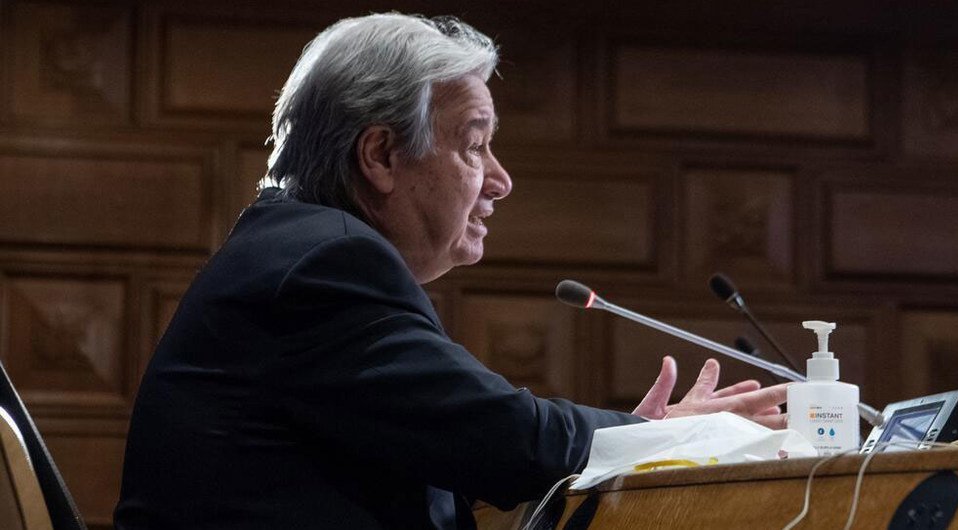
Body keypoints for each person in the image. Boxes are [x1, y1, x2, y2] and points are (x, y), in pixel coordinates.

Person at [114, 13, 788, 530]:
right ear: (380, 155)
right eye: (474, 145)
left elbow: (458, 445)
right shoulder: (326, 264)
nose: (500, 181)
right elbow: (509, 438)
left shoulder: (293, 247)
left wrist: (633, 443)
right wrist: (670, 437)